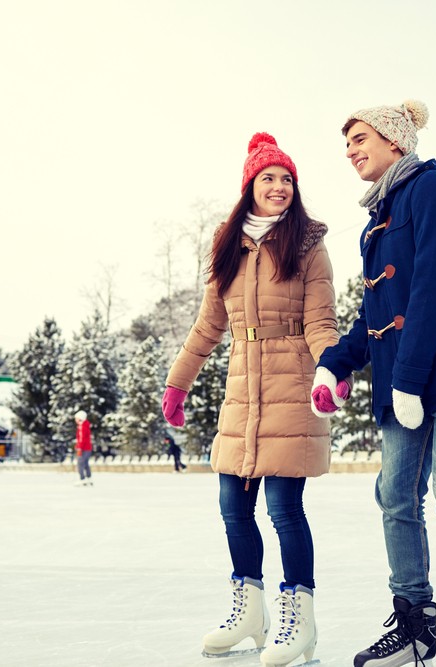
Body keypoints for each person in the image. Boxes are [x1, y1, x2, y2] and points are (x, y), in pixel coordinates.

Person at [311, 100, 436, 667]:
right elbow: (377, 312)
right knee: (395, 497)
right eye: (346, 143)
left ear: (395, 140)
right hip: (406, 385)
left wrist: (407, 378)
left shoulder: (435, 190)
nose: (350, 150)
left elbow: (434, 289)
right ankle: (414, 626)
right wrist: (336, 361)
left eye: (359, 138)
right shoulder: (379, 217)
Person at [161, 132, 348, 667]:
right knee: (233, 508)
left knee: (286, 511)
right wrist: (179, 382)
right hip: (243, 394)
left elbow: (320, 322)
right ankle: (250, 613)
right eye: (269, 178)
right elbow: (207, 326)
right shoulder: (228, 246)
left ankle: (300, 622)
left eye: (287, 179)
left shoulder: (308, 244)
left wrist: (330, 370)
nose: (280, 187)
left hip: (291, 387)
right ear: (249, 186)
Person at [74, 410, 93, 487]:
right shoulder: (86, 425)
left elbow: (81, 439)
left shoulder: (82, 426)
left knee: (80, 463)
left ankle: (82, 479)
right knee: (85, 463)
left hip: (83, 448)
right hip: (88, 448)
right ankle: (88, 478)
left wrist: (79, 448)